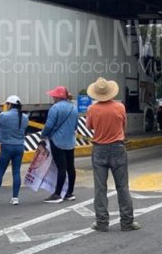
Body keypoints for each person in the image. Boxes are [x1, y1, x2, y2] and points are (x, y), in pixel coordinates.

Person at [86, 77, 140, 232]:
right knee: (122, 186)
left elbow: (89, 126)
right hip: (117, 148)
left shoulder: (92, 109)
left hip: (99, 150)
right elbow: (124, 126)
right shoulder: (120, 107)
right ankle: (127, 222)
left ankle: (102, 222)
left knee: (100, 188)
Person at [0, 96, 29, 205]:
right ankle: (15, 198)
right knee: (16, 172)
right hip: (19, 146)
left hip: (7, 146)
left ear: (10, 104)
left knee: (0, 173)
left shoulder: (3, 115)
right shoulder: (25, 117)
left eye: (7, 104)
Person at [40, 85, 78, 203]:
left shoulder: (55, 108)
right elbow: (75, 126)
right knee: (70, 167)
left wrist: (43, 134)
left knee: (61, 168)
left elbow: (49, 125)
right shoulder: (73, 108)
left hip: (57, 141)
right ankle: (69, 193)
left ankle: (57, 194)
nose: (52, 98)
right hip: (70, 142)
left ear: (57, 97)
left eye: (53, 96)